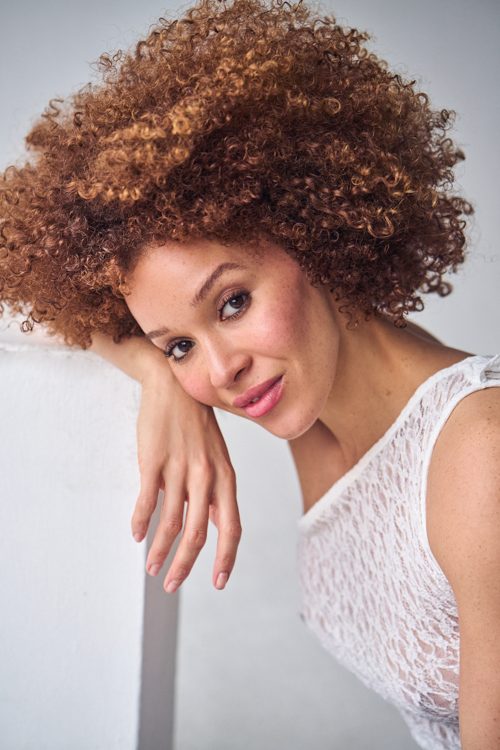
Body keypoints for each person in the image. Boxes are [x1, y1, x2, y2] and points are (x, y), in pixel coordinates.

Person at [1, 0, 499, 747]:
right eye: (181, 344)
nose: (222, 371)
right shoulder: (321, 409)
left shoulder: (480, 453)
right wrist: (155, 373)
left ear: (314, 232)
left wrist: (168, 359)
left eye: (233, 303)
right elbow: (16, 297)